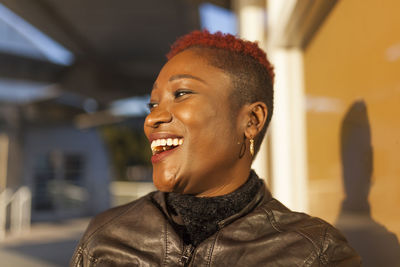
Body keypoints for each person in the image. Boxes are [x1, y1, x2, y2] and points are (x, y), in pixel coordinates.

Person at [70, 30, 361, 266]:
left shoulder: (315, 254)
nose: (152, 118)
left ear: (251, 120)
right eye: (153, 104)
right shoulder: (106, 238)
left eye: (181, 93)